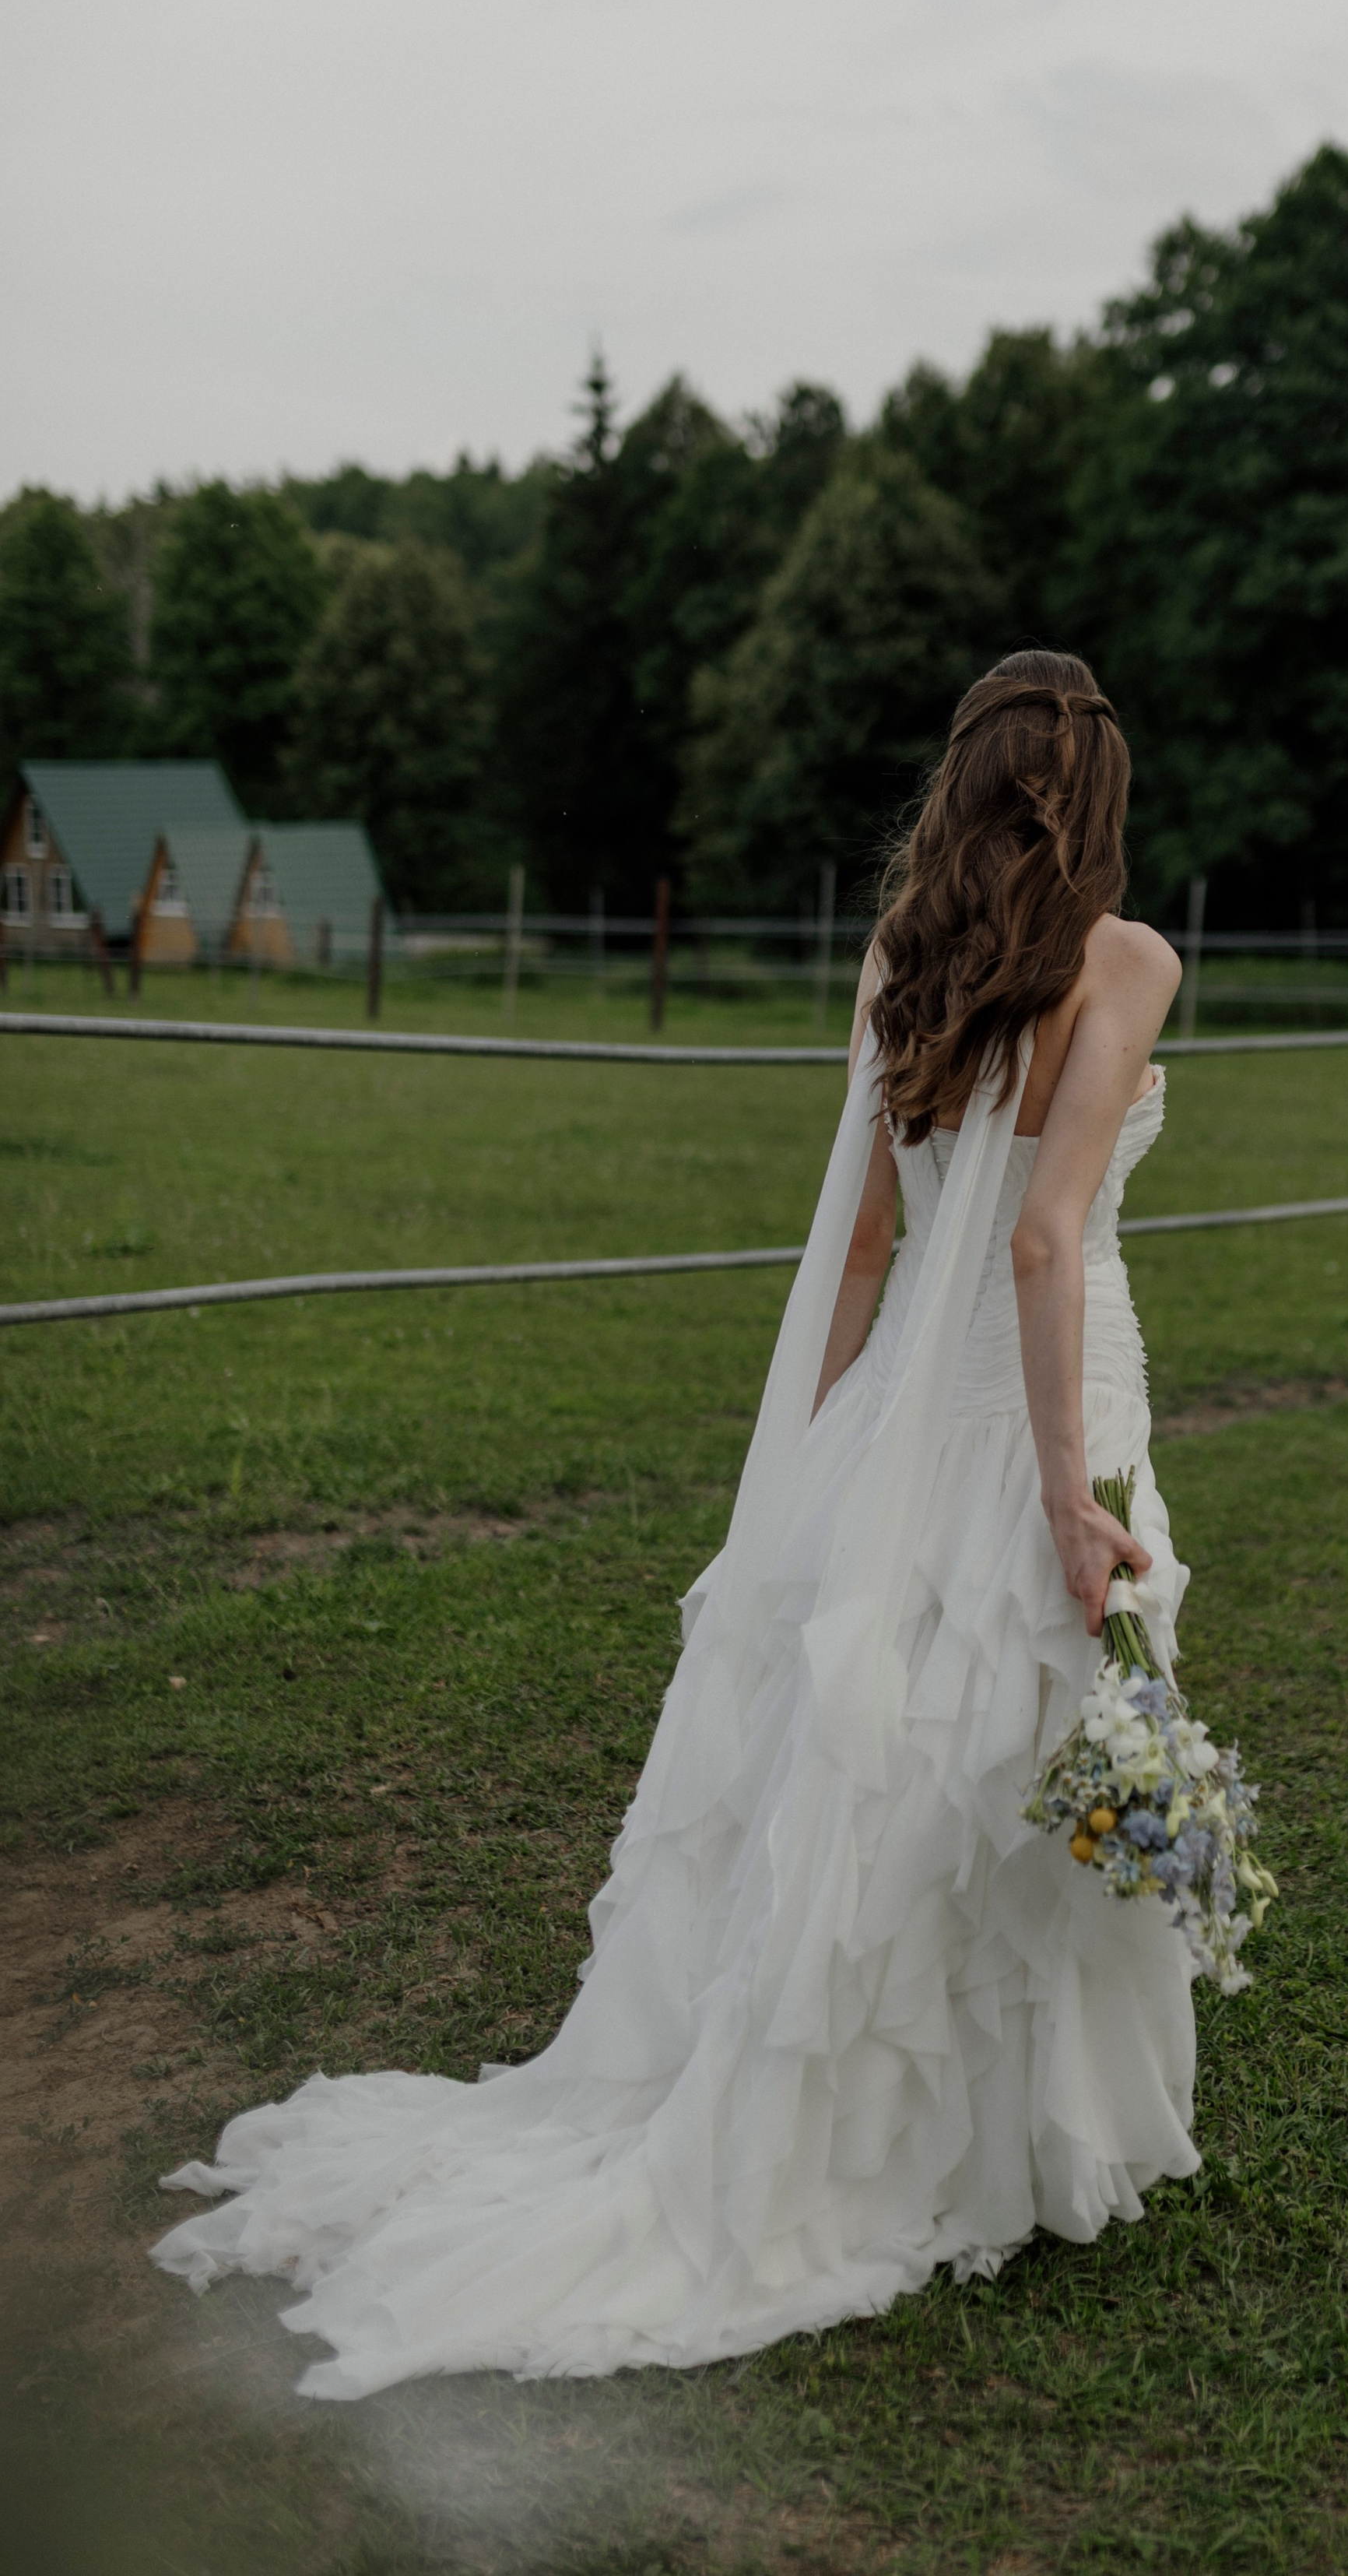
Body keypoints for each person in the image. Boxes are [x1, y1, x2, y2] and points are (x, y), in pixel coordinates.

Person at [152, 649, 1200, 2395]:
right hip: (1048, 1398)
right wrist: (1055, 1491)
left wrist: (805, 1486)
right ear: (1089, 795)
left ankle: (933, 2118)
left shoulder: (901, 958)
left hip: (898, 1420)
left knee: (892, 1749)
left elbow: (864, 1252)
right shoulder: (1127, 960)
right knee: (1003, 1736)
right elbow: (1039, 1237)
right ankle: (981, 2140)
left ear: (962, 782)